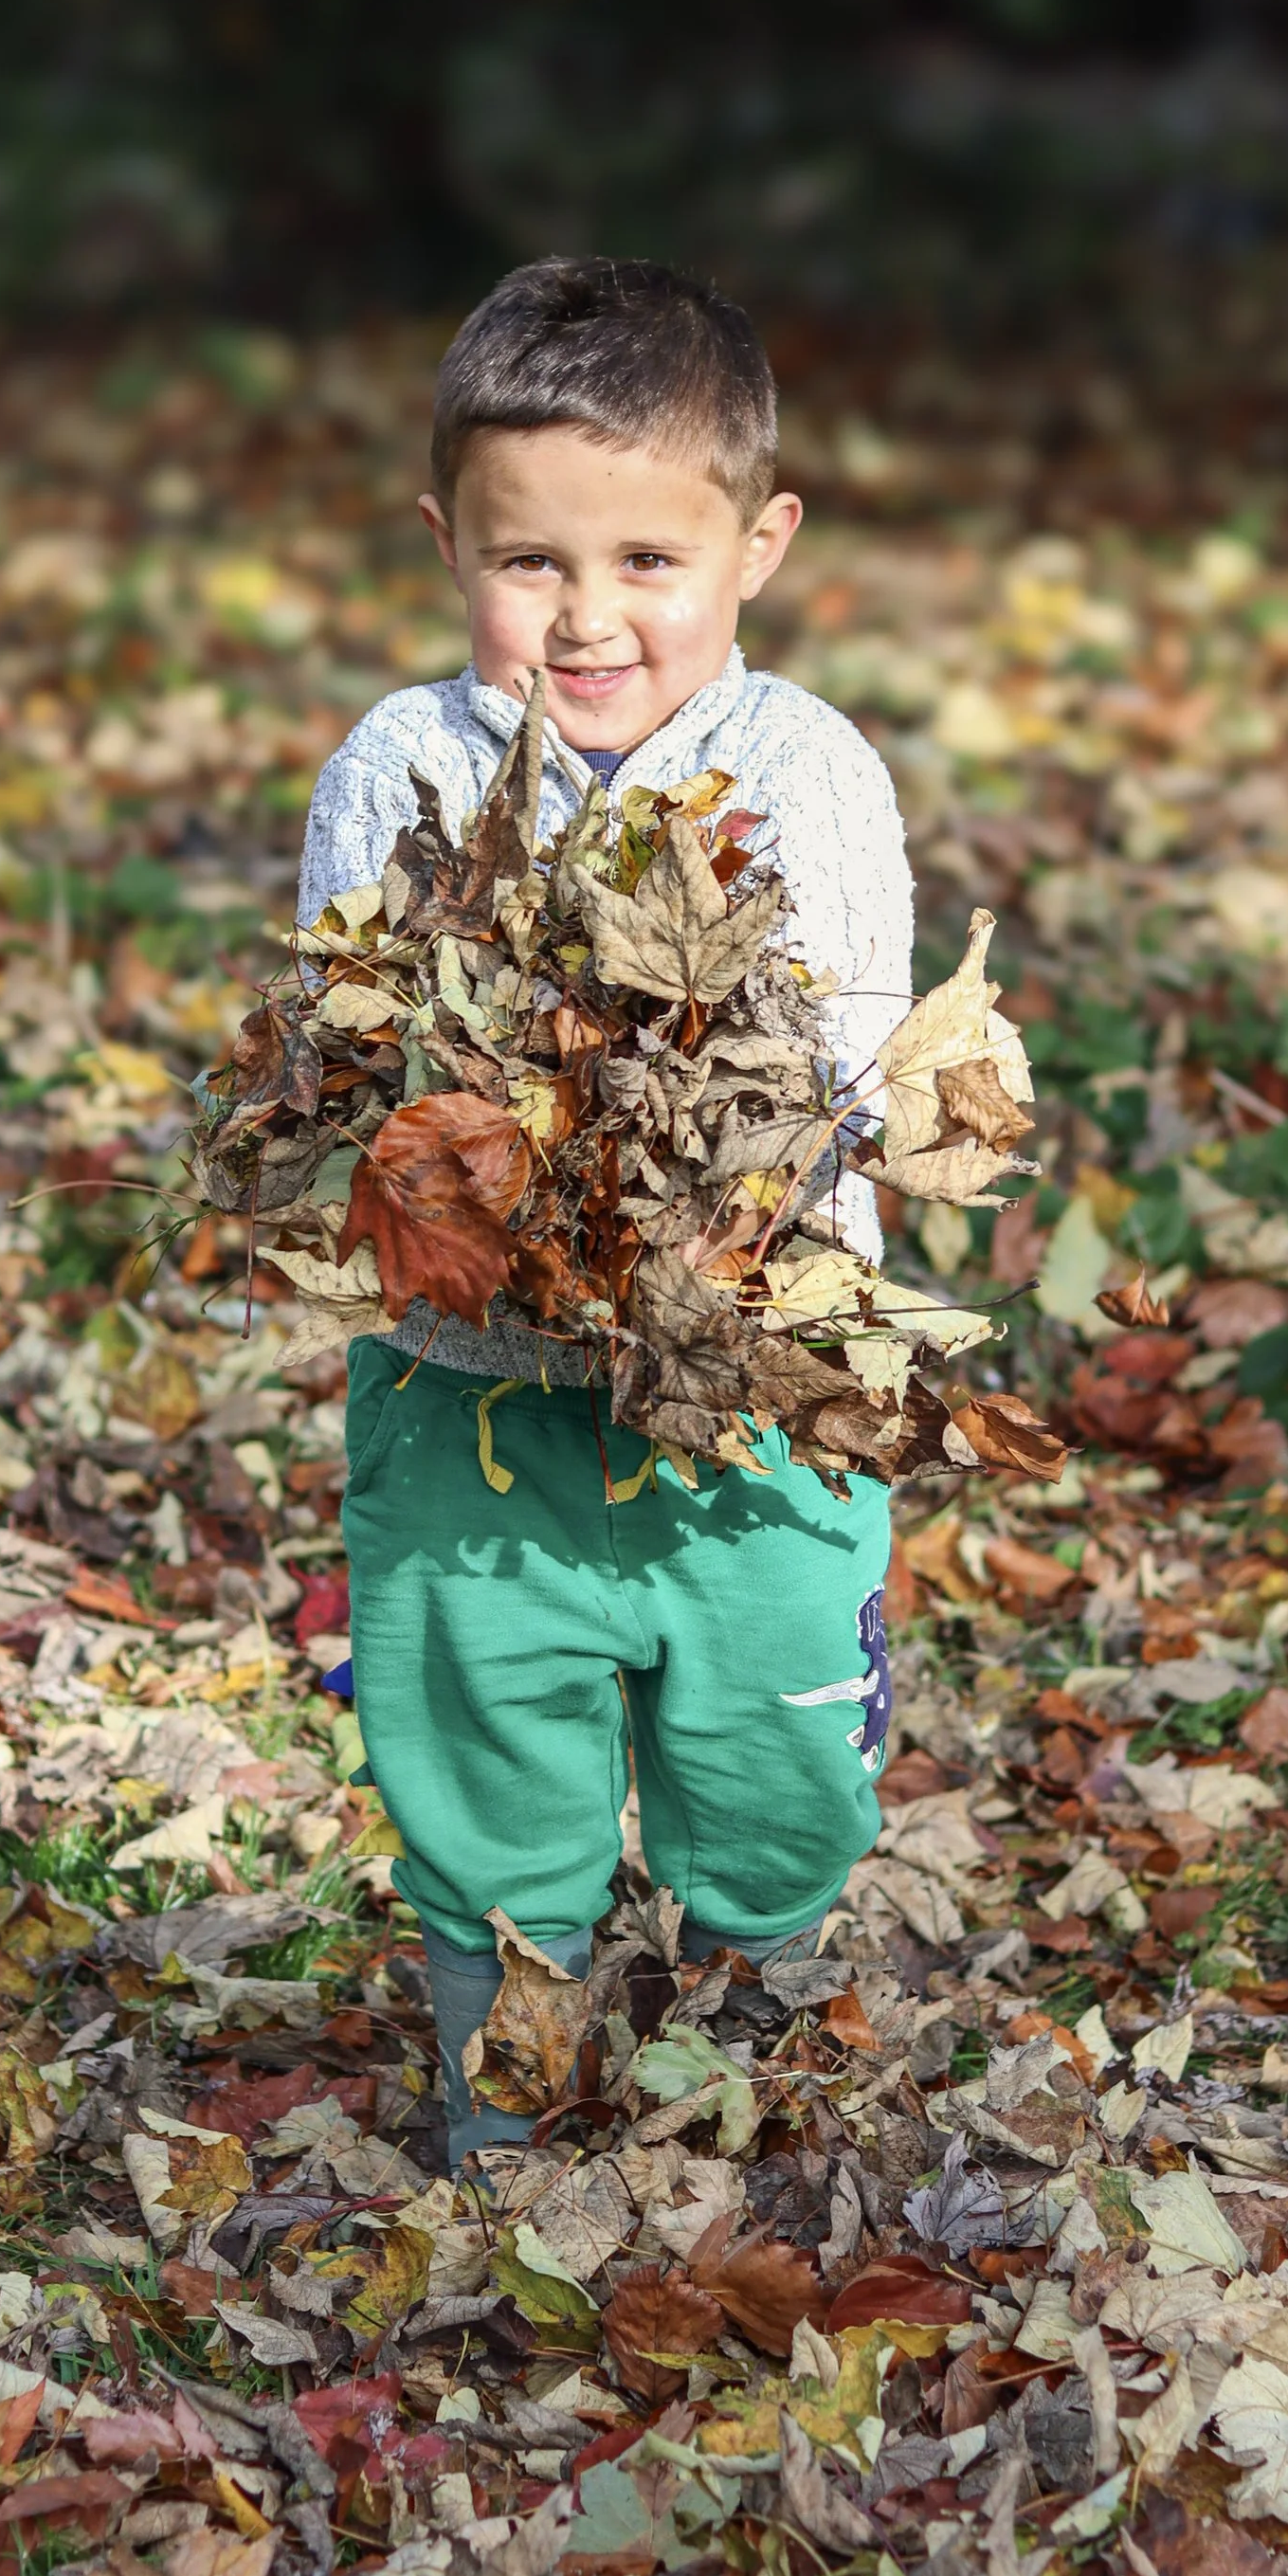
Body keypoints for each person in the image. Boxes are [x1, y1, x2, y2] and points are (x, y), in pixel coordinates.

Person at [297, 257, 916, 2170]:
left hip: (753, 1391)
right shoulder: (399, 768)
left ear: (759, 541)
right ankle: (506, 2098)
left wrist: (698, 1168)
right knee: (482, 1753)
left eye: (647, 559)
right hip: (474, 1396)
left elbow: (846, 1072)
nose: (585, 617)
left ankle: (754, 2048)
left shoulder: (807, 773)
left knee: (772, 1751)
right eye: (528, 562)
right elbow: (359, 1054)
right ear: (444, 545)